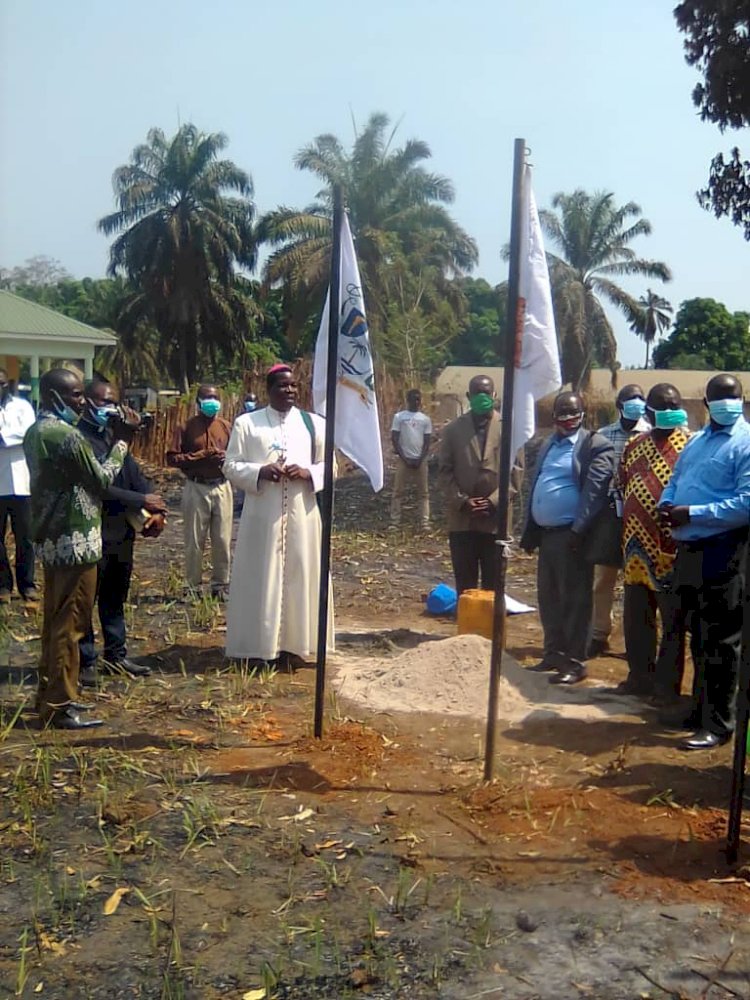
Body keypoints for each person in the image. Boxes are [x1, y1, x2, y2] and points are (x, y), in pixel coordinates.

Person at [23, 367, 136, 730]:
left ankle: (50, 695)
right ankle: (59, 704)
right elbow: (102, 478)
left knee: (55, 623)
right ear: (54, 396)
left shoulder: (36, 431)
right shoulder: (64, 436)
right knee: (71, 624)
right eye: (74, 395)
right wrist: (122, 441)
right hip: (76, 542)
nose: (82, 402)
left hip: (54, 539)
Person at [659, 373, 750, 750]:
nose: (727, 402)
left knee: (722, 641)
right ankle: (698, 711)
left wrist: (692, 513)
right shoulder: (695, 442)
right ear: (706, 402)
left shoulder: (745, 442)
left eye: (734, 396)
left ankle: (719, 723)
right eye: (719, 396)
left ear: (741, 400)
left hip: (725, 551)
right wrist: (667, 503)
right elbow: (676, 479)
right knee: (697, 635)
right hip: (690, 552)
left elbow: (746, 504)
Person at [223, 364, 331, 665]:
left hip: (303, 514)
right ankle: (259, 648)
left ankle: (296, 647)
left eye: (294, 386)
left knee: (301, 575)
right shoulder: (248, 424)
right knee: (262, 578)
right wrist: (261, 471)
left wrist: (307, 472)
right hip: (263, 518)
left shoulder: (314, 424)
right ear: (269, 389)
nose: (290, 391)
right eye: (283, 386)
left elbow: (332, 466)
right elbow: (230, 466)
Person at [77, 378, 167, 685]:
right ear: (87, 402)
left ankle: (115, 656)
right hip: (92, 530)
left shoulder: (114, 439)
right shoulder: (81, 440)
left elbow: (135, 476)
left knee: (115, 596)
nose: (111, 408)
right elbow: (98, 486)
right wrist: (141, 500)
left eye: (113, 402)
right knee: (87, 599)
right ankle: (85, 661)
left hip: (121, 531)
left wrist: (155, 508)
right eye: (104, 402)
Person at [520, 391, 614, 685]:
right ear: (554, 417)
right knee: (549, 598)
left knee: (575, 601)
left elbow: (594, 494)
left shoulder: (594, 446)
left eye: (574, 414)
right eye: (563, 414)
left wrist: (579, 530)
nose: (568, 420)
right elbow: (538, 482)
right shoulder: (549, 443)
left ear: (582, 414)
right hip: (547, 535)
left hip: (572, 535)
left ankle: (575, 662)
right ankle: (553, 654)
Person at [617, 383, 689, 700]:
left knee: (672, 621)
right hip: (634, 547)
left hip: (671, 549)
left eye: (675, 404)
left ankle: (665, 686)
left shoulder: (690, 445)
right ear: (649, 412)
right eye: (664, 404)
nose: (671, 409)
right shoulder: (634, 445)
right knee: (636, 616)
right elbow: (622, 484)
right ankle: (639, 676)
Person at [439, 375, 517, 595]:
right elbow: (444, 472)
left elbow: (516, 472)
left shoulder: (509, 428)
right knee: (466, 586)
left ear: (494, 395)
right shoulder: (453, 429)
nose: (482, 398)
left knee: (494, 586)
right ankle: (467, 627)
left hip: (496, 521)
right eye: (477, 394)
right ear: (468, 396)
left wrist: (493, 501)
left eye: (486, 393)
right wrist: (462, 502)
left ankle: (492, 629)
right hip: (463, 520)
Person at [589, 384, 650, 657]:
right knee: (602, 579)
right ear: (619, 404)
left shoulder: (651, 434)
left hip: (642, 519)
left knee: (637, 582)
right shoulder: (602, 436)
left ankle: (635, 643)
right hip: (610, 517)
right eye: (630, 399)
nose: (636, 403)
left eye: (640, 399)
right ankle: (599, 634)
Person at [166, 384, 233, 598]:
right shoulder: (185, 428)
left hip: (222, 485)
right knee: (194, 540)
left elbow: (238, 455)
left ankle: (220, 586)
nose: (211, 402)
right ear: (198, 402)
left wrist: (224, 458)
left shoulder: (226, 426)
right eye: (207, 398)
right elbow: (172, 458)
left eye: (215, 397)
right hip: (196, 486)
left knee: (222, 539)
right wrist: (200, 456)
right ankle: (192, 586)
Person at [0, 369, 38, 606]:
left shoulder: (22, 407)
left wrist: (3, 437)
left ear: (8, 385)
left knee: (26, 537)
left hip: (22, 482)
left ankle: (28, 584)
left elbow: (29, 433)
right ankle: (3, 585)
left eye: (1, 383)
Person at [391, 388, 432, 530]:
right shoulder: (399, 417)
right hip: (404, 459)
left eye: (418, 399)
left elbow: (427, 441)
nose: (416, 402)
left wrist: (420, 458)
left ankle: (424, 522)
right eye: (413, 399)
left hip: (420, 460)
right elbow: (395, 438)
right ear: (407, 400)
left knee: (423, 492)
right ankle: (395, 522)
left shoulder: (425, 419)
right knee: (398, 491)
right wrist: (404, 457)